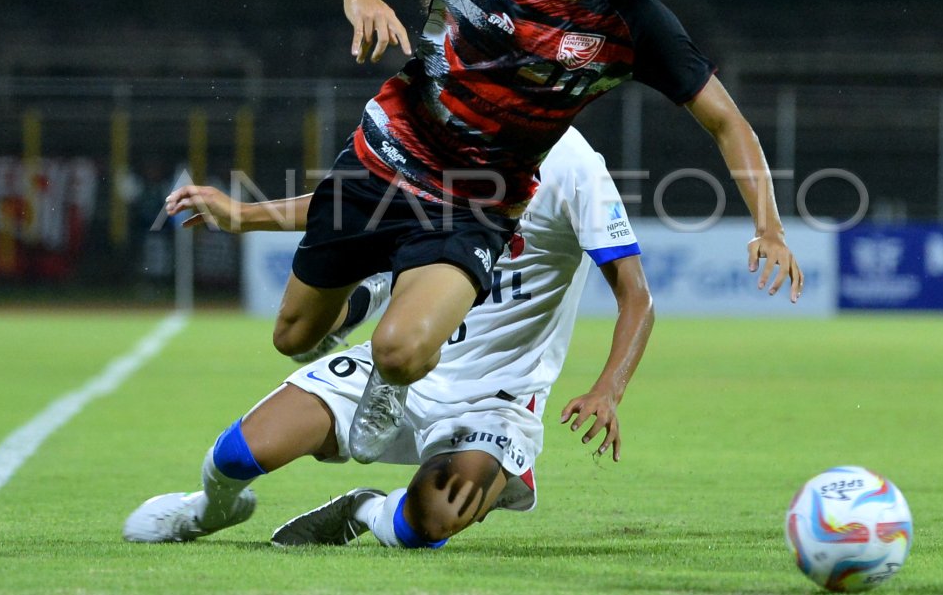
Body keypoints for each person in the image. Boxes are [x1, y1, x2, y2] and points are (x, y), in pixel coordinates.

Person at [282, 0, 803, 463]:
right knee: (293, 334)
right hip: (381, 162)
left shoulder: (633, 22)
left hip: (479, 204)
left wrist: (770, 228)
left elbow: (728, 122)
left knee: (401, 352)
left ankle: (391, 379)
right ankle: (362, 300)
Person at [124, 128, 653, 549]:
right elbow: (351, 199)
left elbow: (637, 299)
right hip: (394, 367)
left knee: (430, 521)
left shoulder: (576, 165)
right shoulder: (440, 131)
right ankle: (206, 510)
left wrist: (608, 388)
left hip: (494, 399)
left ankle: (364, 509)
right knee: (240, 455)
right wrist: (244, 216)